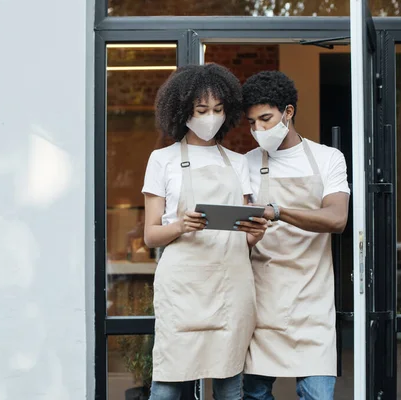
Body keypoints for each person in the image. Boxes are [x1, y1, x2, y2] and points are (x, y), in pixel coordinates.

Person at [142, 63, 268, 400]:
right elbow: (151, 236)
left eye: (217, 109)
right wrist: (181, 225)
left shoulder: (238, 162)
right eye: (201, 110)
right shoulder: (162, 160)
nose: (210, 117)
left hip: (231, 285)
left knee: (229, 384)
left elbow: (245, 234)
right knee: (168, 384)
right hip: (183, 289)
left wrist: (255, 233)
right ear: (183, 111)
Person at [241, 71, 350, 400]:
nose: (258, 130)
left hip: (311, 302)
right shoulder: (244, 163)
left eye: (265, 118)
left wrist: (278, 211)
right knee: (255, 395)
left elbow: (336, 218)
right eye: (251, 123)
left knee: (317, 395)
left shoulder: (328, 158)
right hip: (261, 300)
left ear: (288, 112)